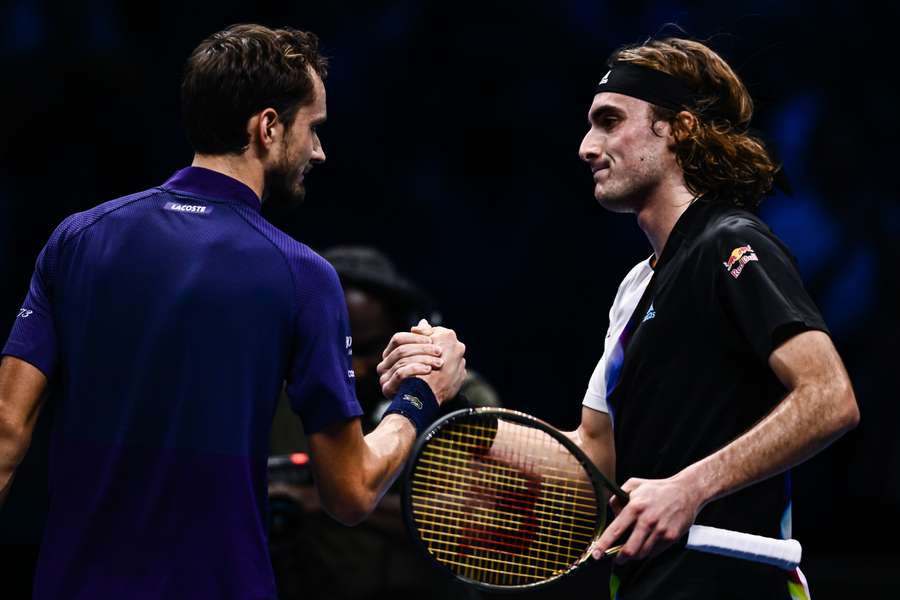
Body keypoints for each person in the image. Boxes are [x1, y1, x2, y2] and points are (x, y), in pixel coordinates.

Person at [380, 37, 859, 599]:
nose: (587, 147)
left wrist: (689, 488)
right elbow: (593, 451)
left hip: (733, 576)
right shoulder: (636, 286)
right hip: (646, 582)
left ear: (678, 128)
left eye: (609, 122)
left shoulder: (731, 242)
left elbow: (830, 397)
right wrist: (449, 399)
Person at [0, 24, 466, 600]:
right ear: (267, 128)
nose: (320, 151)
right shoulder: (303, 276)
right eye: (313, 129)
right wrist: (421, 393)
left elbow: (4, 435)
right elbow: (350, 493)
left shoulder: (77, 240)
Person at [267, 245, 499, 600]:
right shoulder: (280, 400)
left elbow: (479, 516)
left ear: (398, 330)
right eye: (342, 348)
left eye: (369, 346)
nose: (357, 366)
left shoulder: (457, 397)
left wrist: (321, 500)